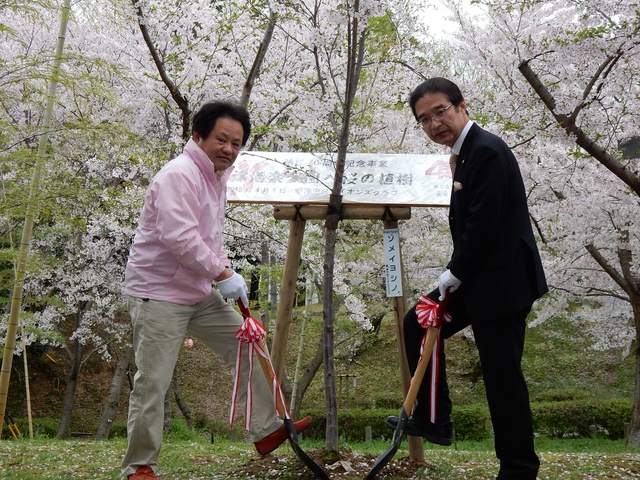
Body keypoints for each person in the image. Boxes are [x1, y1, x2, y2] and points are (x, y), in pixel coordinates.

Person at [121, 100, 311, 480]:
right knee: (153, 381)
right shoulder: (179, 174)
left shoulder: (215, 178)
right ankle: (139, 466)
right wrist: (222, 273)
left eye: (237, 143)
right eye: (222, 139)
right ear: (198, 136)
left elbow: (211, 237)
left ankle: (266, 429)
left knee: (248, 344)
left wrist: (226, 273)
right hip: (158, 292)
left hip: (196, 290)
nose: (229, 149)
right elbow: (180, 236)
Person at [386, 78, 547, 480]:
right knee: (417, 322)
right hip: (480, 277)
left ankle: (519, 468)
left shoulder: (486, 150)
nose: (434, 123)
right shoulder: (466, 153)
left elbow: (484, 223)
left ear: (461, 106)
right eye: (424, 119)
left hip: (503, 283)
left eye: (440, 111)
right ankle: (434, 418)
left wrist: (454, 272)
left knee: (502, 375)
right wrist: (456, 272)